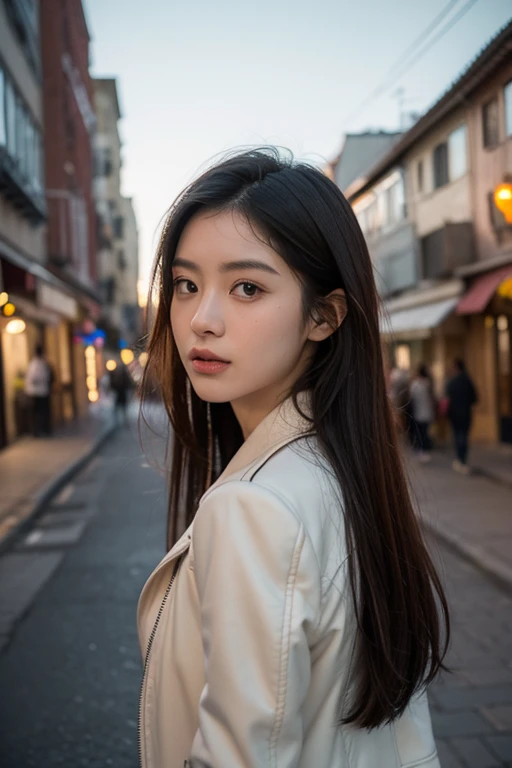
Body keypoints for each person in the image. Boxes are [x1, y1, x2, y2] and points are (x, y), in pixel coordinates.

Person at [137, 148, 449, 768]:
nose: (202, 319)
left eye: (247, 287)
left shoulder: (253, 506)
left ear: (324, 316)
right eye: (185, 284)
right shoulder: (346, 469)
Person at [446, 359, 478, 474]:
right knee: (463, 436)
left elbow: (447, 399)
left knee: (458, 436)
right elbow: (475, 398)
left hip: (455, 415)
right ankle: (462, 459)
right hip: (466, 414)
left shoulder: (452, 382)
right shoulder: (468, 381)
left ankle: (460, 459)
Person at [24, 344, 54, 437]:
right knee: (42, 412)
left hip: (35, 392)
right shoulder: (42, 364)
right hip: (41, 392)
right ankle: (42, 430)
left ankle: (38, 431)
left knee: (36, 413)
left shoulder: (33, 364)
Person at [410, 364, 436, 462]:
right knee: (424, 432)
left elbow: (411, 398)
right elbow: (432, 398)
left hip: (418, 412)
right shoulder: (428, 384)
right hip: (426, 412)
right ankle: (424, 450)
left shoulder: (415, 384)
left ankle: (420, 450)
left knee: (419, 432)